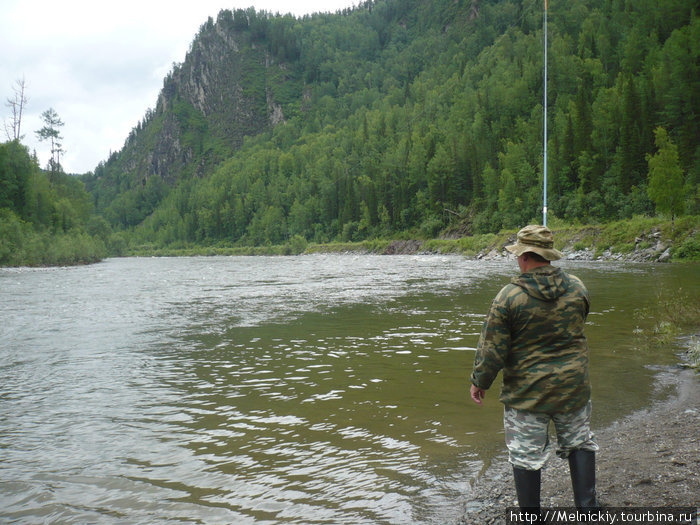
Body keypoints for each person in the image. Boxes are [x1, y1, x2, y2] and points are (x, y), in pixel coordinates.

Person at [469, 225, 600, 518]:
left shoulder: (509, 297)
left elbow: (492, 349)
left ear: (525, 256)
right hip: (573, 387)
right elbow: (580, 322)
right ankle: (588, 510)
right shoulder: (577, 287)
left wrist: (480, 381)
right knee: (580, 443)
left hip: (527, 394)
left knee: (525, 457)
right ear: (548, 255)